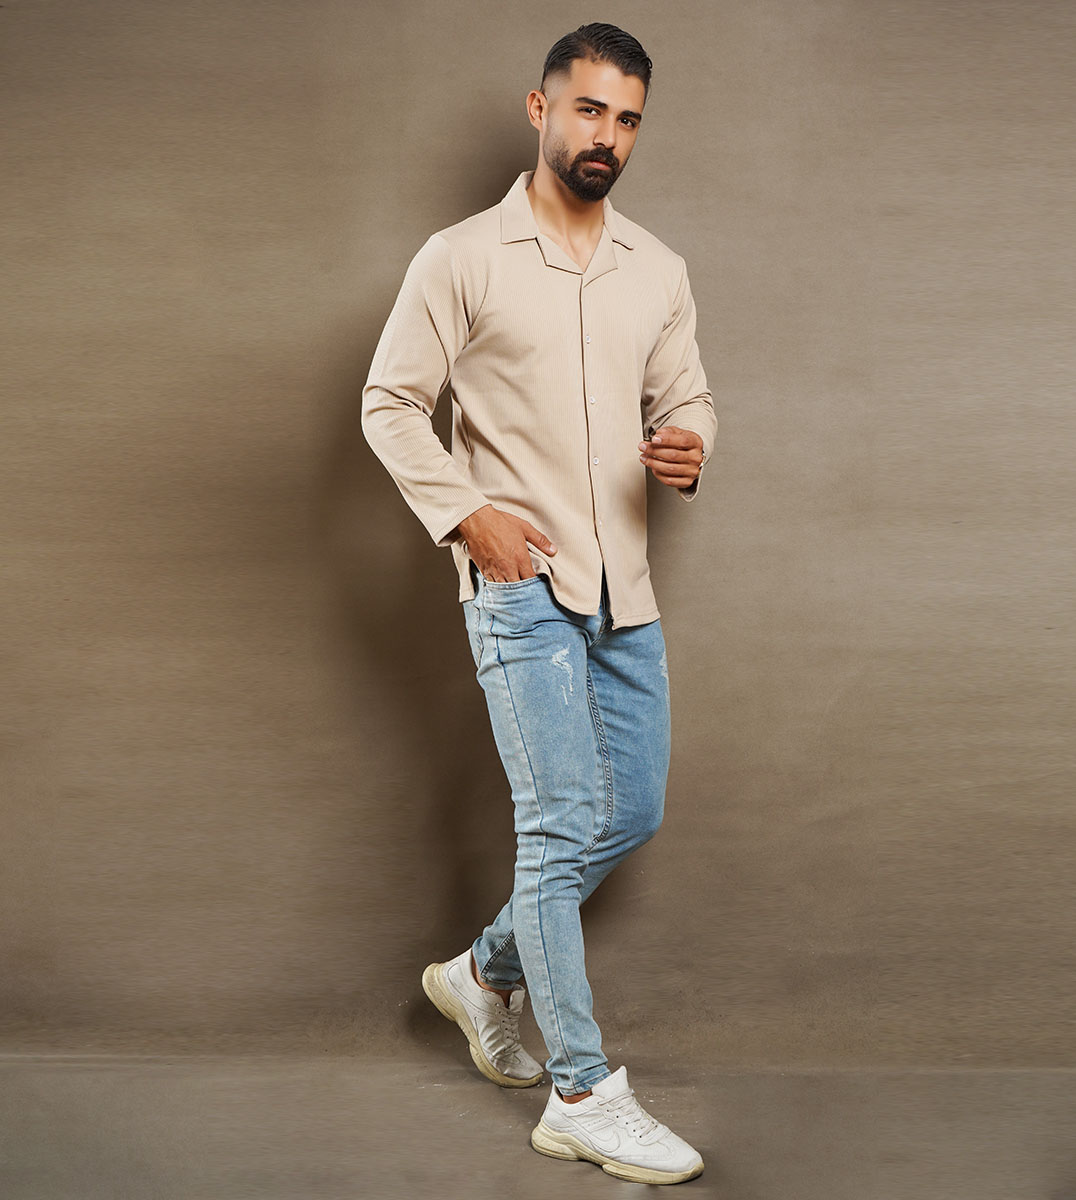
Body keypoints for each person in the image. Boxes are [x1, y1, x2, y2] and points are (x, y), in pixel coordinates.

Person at [361, 21, 715, 1186]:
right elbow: (390, 403)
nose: (607, 134)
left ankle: (479, 976)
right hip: (520, 587)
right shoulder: (460, 257)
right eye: (589, 109)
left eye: (628, 119)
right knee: (561, 823)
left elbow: (689, 396)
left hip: (626, 588)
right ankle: (581, 1092)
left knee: (632, 812)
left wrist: (690, 441)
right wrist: (469, 517)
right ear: (541, 108)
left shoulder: (657, 269)